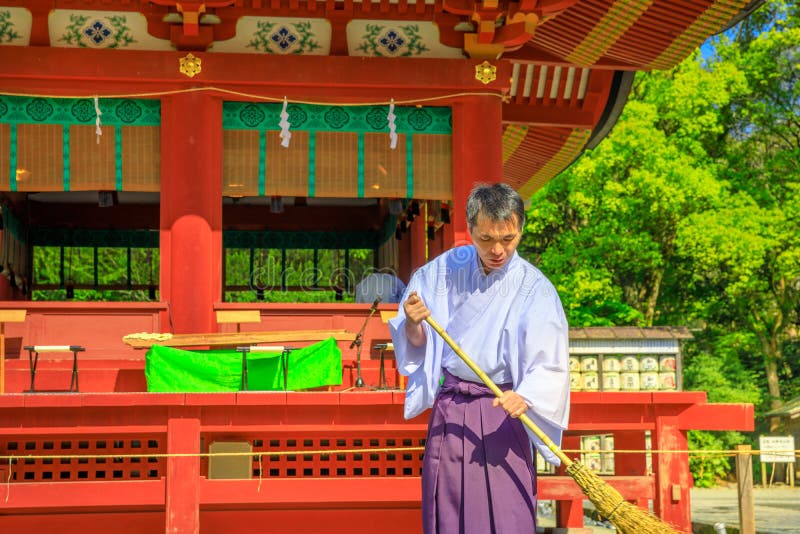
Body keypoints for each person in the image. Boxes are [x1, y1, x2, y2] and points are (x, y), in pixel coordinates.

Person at [388, 183, 570, 534]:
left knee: (507, 512)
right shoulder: (442, 271)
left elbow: (551, 360)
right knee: (449, 506)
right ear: (470, 228)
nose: (498, 250)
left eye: (509, 238)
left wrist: (528, 395)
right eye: (486, 239)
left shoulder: (535, 287)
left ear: (521, 229)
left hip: (504, 409)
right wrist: (412, 322)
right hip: (453, 409)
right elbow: (418, 342)